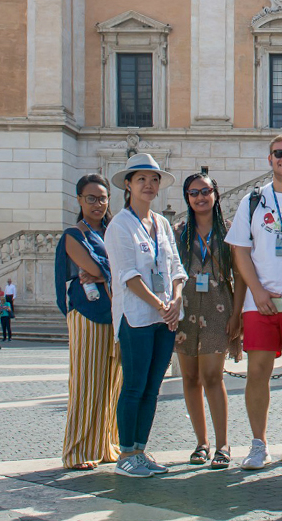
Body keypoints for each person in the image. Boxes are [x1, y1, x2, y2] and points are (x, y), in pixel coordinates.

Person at [227, 133, 282, 470]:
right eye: (279, 153)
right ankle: (258, 443)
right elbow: (240, 251)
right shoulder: (253, 200)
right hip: (258, 302)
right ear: (270, 159)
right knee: (257, 373)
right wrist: (258, 291)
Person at [104, 153, 186, 477]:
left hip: (164, 318)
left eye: (153, 180)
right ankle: (126, 454)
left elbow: (176, 268)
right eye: (141, 180)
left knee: (153, 387)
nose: (149, 185)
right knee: (134, 386)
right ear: (128, 185)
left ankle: (140, 449)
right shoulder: (119, 225)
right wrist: (161, 304)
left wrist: (177, 300)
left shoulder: (162, 223)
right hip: (136, 316)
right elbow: (127, 276)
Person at [172, 170, 244, 469]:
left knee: (213, 377)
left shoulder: (229, 231)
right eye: (193, 192)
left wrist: (237, 316)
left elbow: (240, 277)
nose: (200, 197)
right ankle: (201, 443)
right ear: (187, 198)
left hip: (218, 307)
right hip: (185, 309)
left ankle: (223, 443)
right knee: (189, 378)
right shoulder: (178, 233)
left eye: (205, 191)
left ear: (215, 194)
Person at [57, 174, 124, 471]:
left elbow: (120, 268)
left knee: (113, 384)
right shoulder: (73, 235)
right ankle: (78, 450)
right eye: (91, 198)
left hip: (118, 314)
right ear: (79, 200)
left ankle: (107, 445)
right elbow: (96, 267)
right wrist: (105, 271)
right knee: (86, 383)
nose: (98, 204)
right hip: (88, 315)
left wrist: (104, 272)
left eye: (103, 198)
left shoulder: (114, 232)